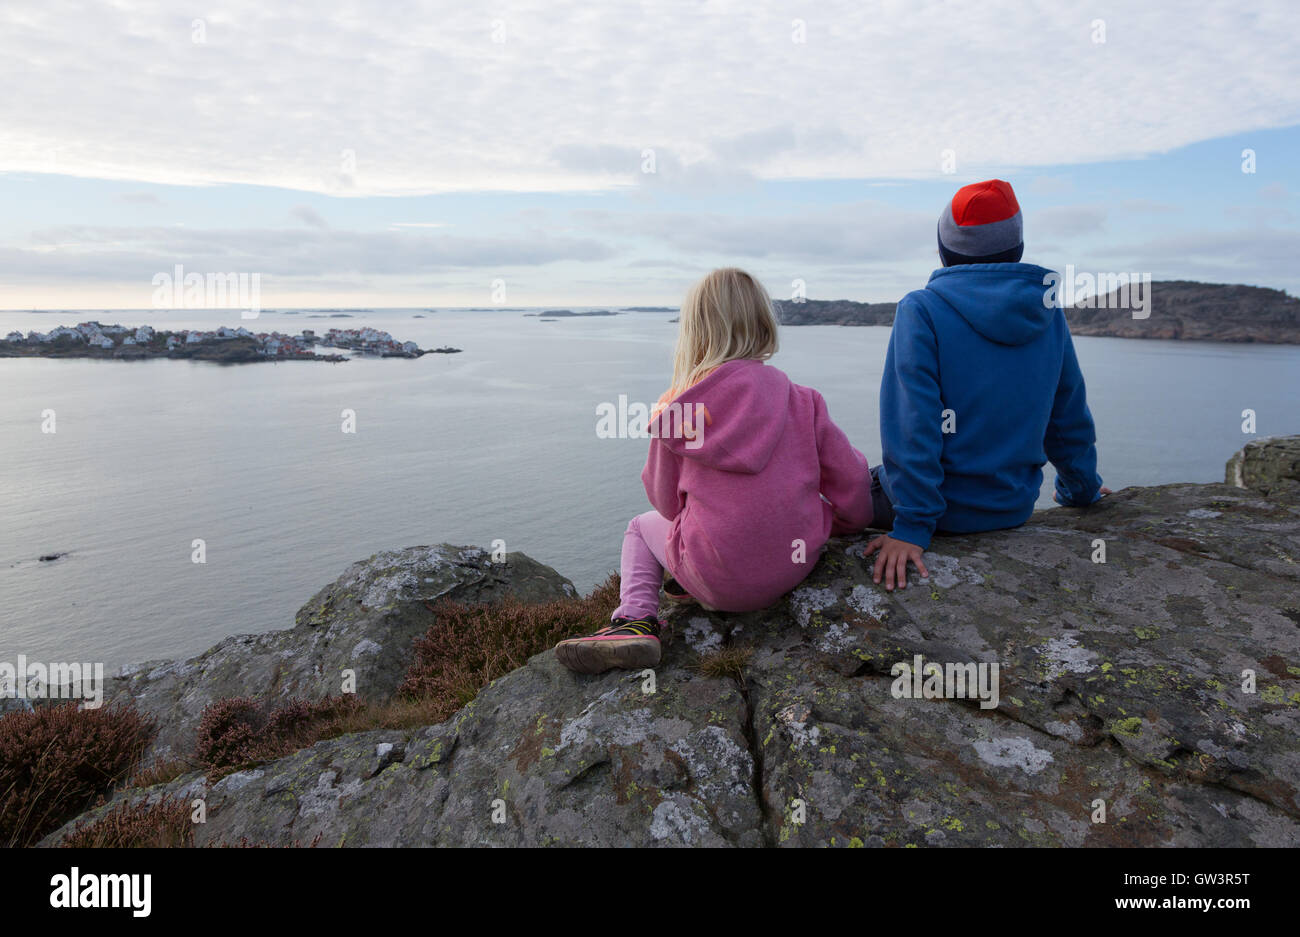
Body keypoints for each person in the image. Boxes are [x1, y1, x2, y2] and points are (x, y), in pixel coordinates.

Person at [555, 268, 873, 674]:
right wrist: (846, 524)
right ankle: (693, 582)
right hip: (791, 568)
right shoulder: (804, 401)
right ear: (763, 324)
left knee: (639, 526)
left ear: (695, 332)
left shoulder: (678, 413)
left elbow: (666, 505)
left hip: (717, 577)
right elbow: (853, 487)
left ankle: (634, 620)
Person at [867, 179, 1108, 591]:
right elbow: (1066, 415)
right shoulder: (1047, 312)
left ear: (944, 249)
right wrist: (1081, 487)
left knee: (830, 483)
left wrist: (912, 527)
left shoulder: (921, 309)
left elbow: (914, 423)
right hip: (1010, 508)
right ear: (1017, 250)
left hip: (935, 514)